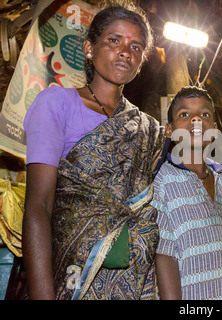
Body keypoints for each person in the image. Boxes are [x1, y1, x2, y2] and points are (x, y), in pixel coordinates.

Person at [22, 3, 165, 300]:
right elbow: (39, 205)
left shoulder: (148, 128)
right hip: (69, 276)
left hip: (133, 281)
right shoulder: (57, 103)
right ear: (89, 47)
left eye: (135, 46)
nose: (125, 51)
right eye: (114, 40)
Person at [151, 86, 222, 300]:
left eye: (204, 114)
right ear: (169, 130)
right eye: (184, 114)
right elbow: (164, 255)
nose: (195, 120)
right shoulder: (162, 178)